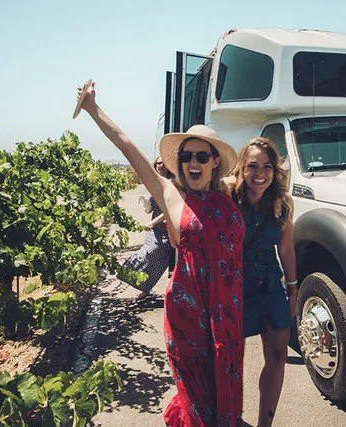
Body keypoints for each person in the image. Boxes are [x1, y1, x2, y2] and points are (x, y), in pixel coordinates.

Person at [78, 82, 245, 426]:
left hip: (227, 316)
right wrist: (94, 109)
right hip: (189, 317)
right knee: (197, 398)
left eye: (201, 156)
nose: (192, 163)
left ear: (215, 162)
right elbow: (128, 147)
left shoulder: (229, 195)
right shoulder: (170, 195)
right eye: (186, 157)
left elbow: (267, 178)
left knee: (224, 393)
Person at [224, 137, 297, 427]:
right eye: (252, 166)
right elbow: (218, 178)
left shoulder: (283, 203)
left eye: (267, 166)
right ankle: (230, 419)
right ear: (241, 167)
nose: (260, 173)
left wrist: (293, 289)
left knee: (279, 356)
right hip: (234, 288)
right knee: (229, 360)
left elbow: (287, 249)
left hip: (269, 285)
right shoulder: (229, 195)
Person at [121, 158, 175, 300]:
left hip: (166, 229)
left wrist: (152, 223)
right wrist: (146, 204)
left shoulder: (172, 183)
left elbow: (170, 209)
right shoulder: (154, 182)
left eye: (163, 163)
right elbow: (150, 209)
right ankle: (143, 286)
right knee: (145, 254)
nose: (161, 165)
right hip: (156, 229)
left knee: (155, 257)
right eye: (158, 163)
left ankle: (146, 287)